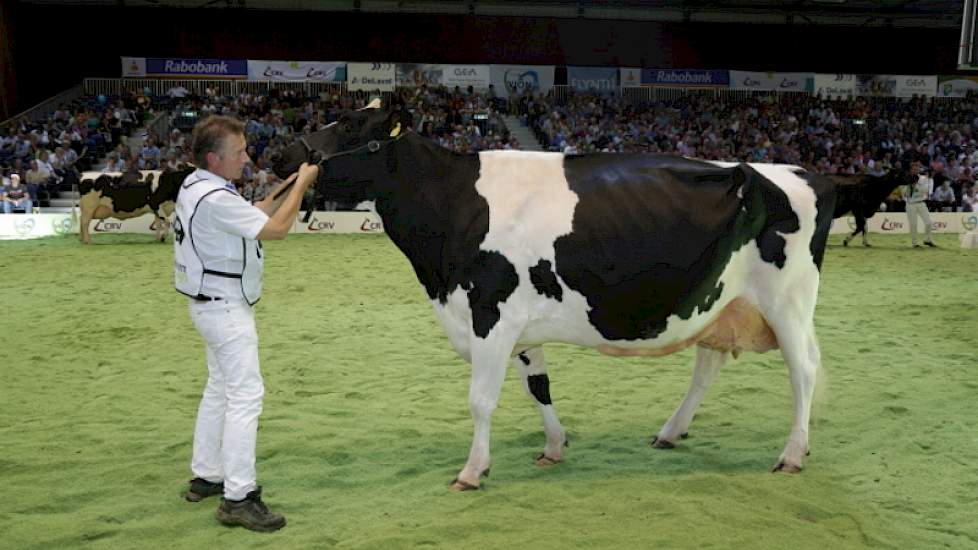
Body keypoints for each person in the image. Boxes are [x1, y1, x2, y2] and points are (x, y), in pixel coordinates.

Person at [174, 114, 318, 532]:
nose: (246, 158)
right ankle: (239, 496)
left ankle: (206, 475)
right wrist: (305, 186)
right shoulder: (216, 197)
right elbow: (273, 229)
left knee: (220, 388)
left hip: (207, 306)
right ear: (216, 159)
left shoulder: (197, 185)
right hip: (225, 308)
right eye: (239, 152)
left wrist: (287, 186)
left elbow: (253, 213)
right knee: (245, 396)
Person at [904, 162, 937, 248]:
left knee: (929, 222)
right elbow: (904, 193)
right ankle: (914, 243)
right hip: (910, 204)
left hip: (921, 203)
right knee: (913, 224)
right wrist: (909, 185)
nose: (915, 170)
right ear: (910, 170)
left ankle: (927, 240)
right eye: (913, 169)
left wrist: (916, 185)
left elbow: (926, 190)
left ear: (919, 169)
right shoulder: (905, 179)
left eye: (917, 168)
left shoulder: (923, 178)